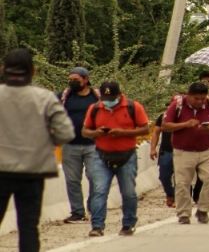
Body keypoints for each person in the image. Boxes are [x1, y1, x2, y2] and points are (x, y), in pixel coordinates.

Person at [0, 49, 75, 252]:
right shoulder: (45, 98)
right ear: (33, 71)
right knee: (28, 226)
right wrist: (45, 142)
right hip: (32, 171)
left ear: (3, 69)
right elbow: (66, 132)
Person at [82, 81, 150, 237]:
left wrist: (123, 132)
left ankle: (128, 224)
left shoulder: (133, 107)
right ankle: (97, 226)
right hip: (102, 155)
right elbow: (85, 130)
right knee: (99, 191)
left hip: (126, 155)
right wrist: (96, 133)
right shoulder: (95, 109)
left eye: (111, 97)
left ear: (119, 95)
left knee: (128, 192)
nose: (108, 101)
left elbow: (145, 128)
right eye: (105, 97)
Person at [161, 82, 209, 226]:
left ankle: (203, 209)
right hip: (183, 151)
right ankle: (184, 213)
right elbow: (165, 125)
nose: (200, 102)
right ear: (188, 96)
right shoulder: (177, 105)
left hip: (207, 150)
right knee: (183, 183)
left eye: (202, 98)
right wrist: (185, 124)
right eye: (196, 98)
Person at [60, 66, 100, 224]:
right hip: (70, 145)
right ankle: (77, 212)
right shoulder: (65, 96)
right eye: (70, 79)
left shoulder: (97, 97)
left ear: (86, 79)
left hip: (93, 144)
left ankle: (93, 207)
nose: (72, 82)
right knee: (72, 180)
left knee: (95, 177)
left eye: (76, 80)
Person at [149, 110, 176, 208]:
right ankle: (170, 194)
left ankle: (178, 199)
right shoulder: (163, 116)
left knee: (181, 177)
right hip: (166, 151)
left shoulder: (185, 116)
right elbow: (156, 132)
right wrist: (153, 149)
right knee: (163, 176)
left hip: (181, 152)